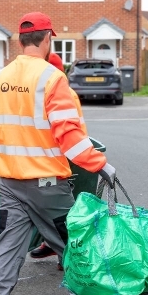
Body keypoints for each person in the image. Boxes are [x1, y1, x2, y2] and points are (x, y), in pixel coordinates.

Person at [0, 11, 116, 295]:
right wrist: (101, 165)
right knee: (73, 241)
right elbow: (69, 137)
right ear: (47, 38)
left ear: (20, 39)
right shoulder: (52, 79)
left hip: (10, 181)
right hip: (46, 184)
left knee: (8, 245)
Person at [29, 52, 89, 271]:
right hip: (47, 160)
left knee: (57, 214)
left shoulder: (63, 93)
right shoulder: (47, 89)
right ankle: (55, 248)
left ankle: (75, 269)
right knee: (53, 213)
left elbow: (72, 132)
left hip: (56, 160)